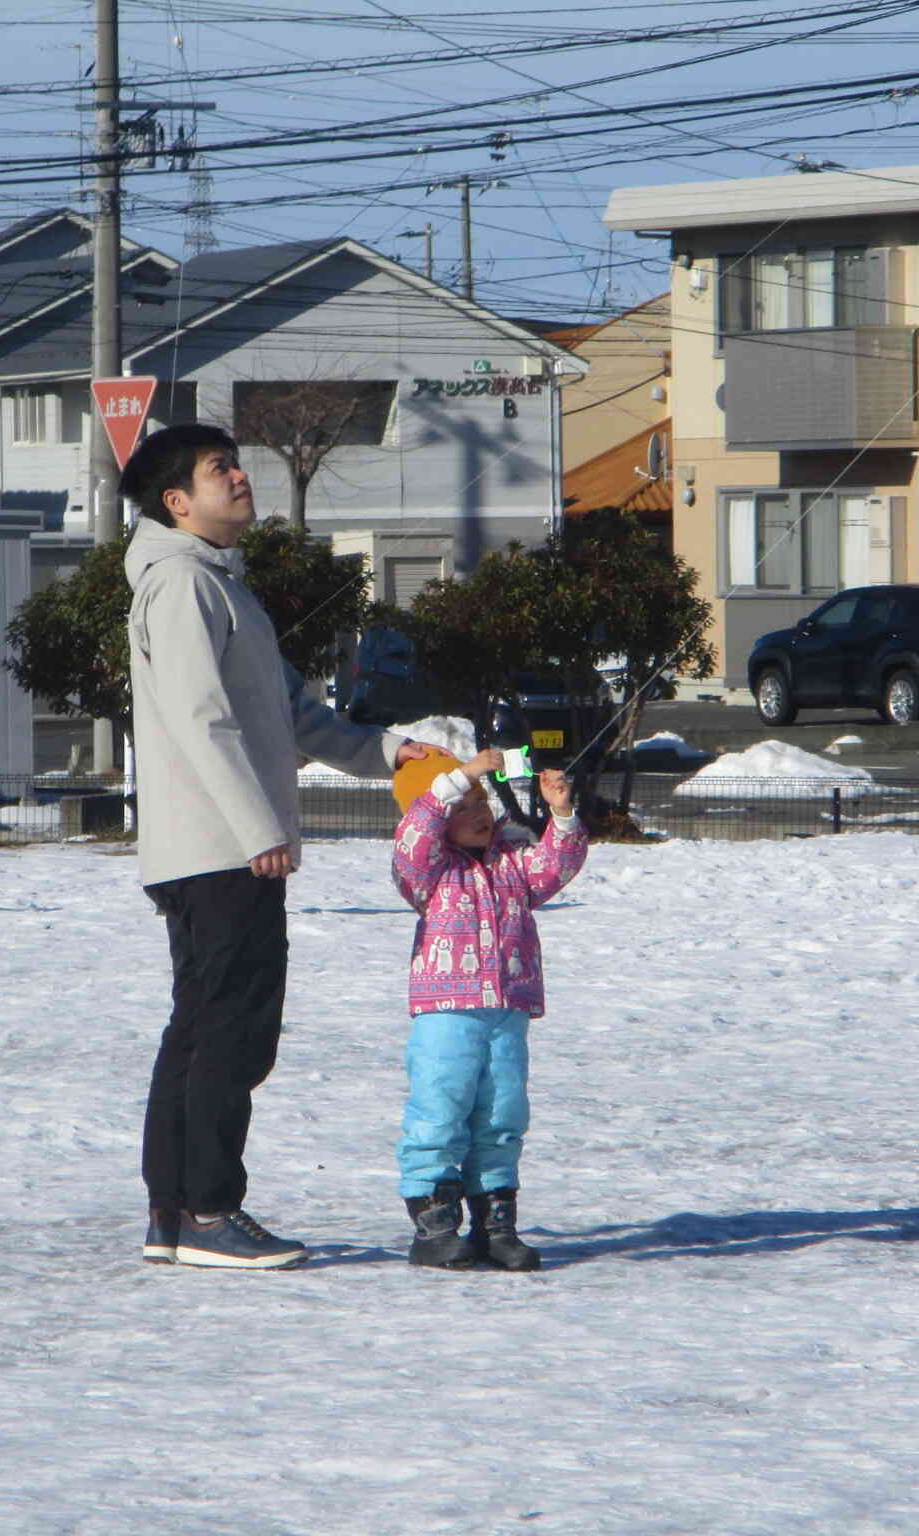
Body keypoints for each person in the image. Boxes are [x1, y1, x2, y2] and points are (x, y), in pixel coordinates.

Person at [121, 422, 429, 1271]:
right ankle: (209, 1211)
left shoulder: (224, 586)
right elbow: (200, 721)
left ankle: (175, 1212)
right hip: (219, 848)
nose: (240, 477)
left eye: (237, 464)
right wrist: (258, 828)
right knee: (231, 1032)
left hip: (223, 847)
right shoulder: (182, 585)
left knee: (205, 1028)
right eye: (221, 469)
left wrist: (385, 753)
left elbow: (295, 715)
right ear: (177, 502)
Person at [390, 746, 588, 1270]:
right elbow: (416, 832)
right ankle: (434, 1224)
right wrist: (464, 774)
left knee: (502, 1113)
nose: (477, 812)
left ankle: (494, 1222)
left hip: (507, 1009)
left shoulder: (511, 861)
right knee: (441, 1109)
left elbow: (556, 866)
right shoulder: (426, 871)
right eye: (461, 805)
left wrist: (561, 813)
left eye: (481, 801)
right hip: (446, 1011)